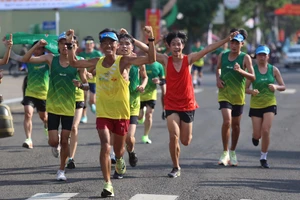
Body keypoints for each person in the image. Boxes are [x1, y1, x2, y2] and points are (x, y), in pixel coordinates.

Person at [132, 30, 239, 177]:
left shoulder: (189, 59)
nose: (176, 47)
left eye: (179, 44)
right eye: (173, 44)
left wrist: (227, 39)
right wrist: (130, 39)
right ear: (169, 46)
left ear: (183, 45)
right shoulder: (165, 59)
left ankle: (179, 156)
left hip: (187, 104)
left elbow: (208, 48)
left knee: (185, 140)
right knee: (173, 136)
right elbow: (147, 49)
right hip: (171, 104)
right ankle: (175, 167)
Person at [66, 26, 156, 198]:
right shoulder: (96, 62)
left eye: (111, 42)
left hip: (122, 113)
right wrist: (70, 43)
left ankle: (121, 159)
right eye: (104, 43)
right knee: (105, 146)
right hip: (103, 113)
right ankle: (108, 183)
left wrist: (150, 38)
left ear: (116, 45)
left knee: (119, 149)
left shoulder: (125, 61)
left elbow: (151, 59)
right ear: (101, 46)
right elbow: (74, 63)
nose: (108, 45)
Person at [21, 32, 89, 181]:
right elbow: (26, 59)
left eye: (67, 43)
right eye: (62, 43)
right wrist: (37, 46)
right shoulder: (51, 59)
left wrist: (81, 85)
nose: (65, 45)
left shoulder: (77, 63)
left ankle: (61, 170)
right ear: (57, 46)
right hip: (52, 107)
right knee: (54, 141)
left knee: (65, 140)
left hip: (68, 108)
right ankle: (55, 143)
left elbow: (86, 85)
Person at [216, 29, 255, 167]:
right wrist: (218, 79)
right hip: (224, 93)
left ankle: (233, 151)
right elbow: (218, 68)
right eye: (232, 42)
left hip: (238, 95)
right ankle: (225, 151)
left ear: (242, 44)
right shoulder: (223, 55)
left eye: (237, 43)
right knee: (227, 121)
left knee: (236, 125)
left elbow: (253, 76)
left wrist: (240, 71)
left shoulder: (245, 58)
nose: (234, 45)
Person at [245, 45, 285, 168]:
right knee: (258, 135)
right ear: (256, 57)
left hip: (270, 103)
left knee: (266, 130)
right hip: (256, 105)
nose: (262, 57)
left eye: (264, 55)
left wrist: (276, 87)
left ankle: (263, 157)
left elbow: (283, 86)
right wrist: (252, 92)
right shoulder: (252, 71)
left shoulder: (274, 70)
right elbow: (245, 89)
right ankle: (255, 137)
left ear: (268, 56)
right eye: (260, 55)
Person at [113, 33, 148, 172]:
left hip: (133, 103)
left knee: (129, 138)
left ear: (132, 46)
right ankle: (119, 164)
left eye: (127, 44)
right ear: (117, 46)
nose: (124, 46)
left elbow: (144, 77)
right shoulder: (112, 61)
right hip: (116, 104)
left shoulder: (137, 61)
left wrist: (143, 85)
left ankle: (131, 152)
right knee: (117, 138)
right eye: (121, 44)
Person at [10, 40, 49, 149]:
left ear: (43, 50)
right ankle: (29, 139)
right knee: (28, 113)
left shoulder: (47, 60)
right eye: (35, 48)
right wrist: (8, 46)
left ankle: (47, 127)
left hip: (43, 94)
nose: (37, 50)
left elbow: (57, 55)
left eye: (39, 48)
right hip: (30, 92)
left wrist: (48, 45)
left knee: (45, 118)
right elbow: (14, 56)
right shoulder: (29, 59)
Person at [66, 40, 91, 169]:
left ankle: (71, 158)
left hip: (77, 98)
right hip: (62, 99)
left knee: (74, 127)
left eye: (73, 46)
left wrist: (81, 84)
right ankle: (59, 143)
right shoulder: (57, 60)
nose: (70, 48)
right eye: (68, 46)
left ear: (76, 47)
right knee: (65, 131)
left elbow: (86, 85)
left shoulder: (80, 61)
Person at [137, 61, 165, 144]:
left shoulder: (159, 66)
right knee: (139, 117)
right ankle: (141, 117)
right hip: (139, 94)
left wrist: (159, 81)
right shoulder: (140, 63)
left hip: (151, 94)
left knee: (149, 115)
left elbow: (163, 81)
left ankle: (145, 136)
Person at [78, 36, 103, 123]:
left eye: (90, 43)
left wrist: (92, 73)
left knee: (92, 99)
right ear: (85, 45)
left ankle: (92, 104)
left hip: (94, 80)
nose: (89, 45)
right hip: (83, 79)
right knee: (84, 98)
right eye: (87, 44)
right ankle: (84, 116)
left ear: (93, 44)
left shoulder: (98, 54)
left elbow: (101, 66)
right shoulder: (81, 55)